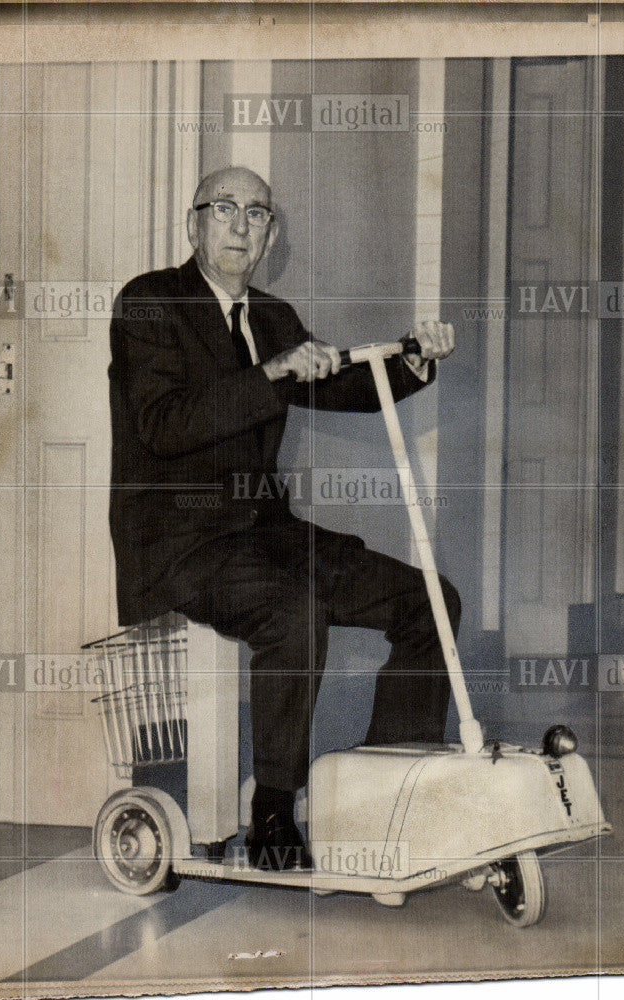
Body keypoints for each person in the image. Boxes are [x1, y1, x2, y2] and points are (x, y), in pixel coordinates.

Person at [109, 166, 461, 871]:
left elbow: (349, 386)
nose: (242, 225)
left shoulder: (271, 316)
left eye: (259, 214)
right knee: (296, 614)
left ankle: (391, 786)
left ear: (271, 235)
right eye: (226, 209)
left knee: (435, 602)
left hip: (265, 532)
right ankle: (272, 812)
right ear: (193, 224)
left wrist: (414, 361)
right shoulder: (150, 301)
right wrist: (271, 374)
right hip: (180, 540)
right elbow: (163, 424)